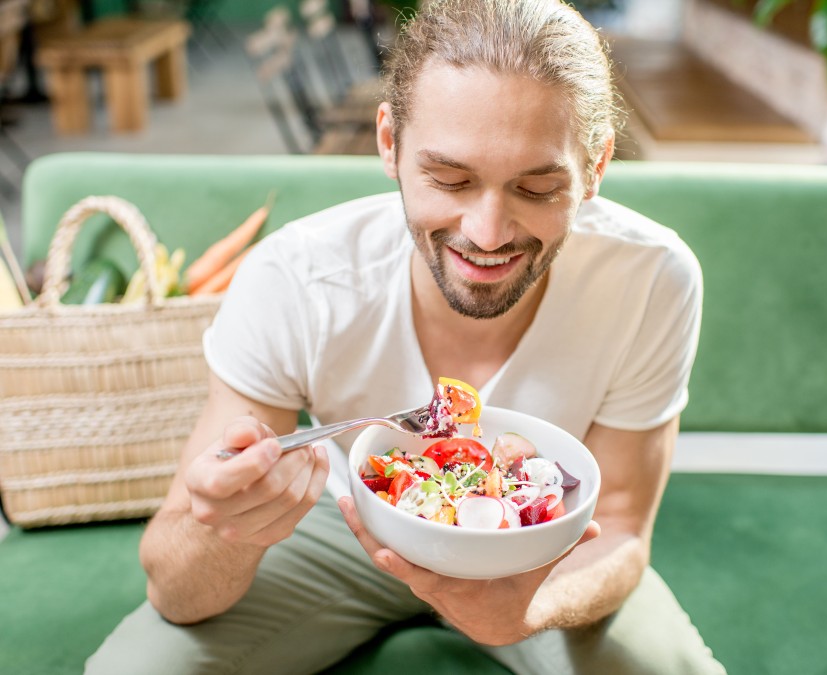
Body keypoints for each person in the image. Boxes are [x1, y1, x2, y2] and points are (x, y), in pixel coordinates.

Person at [87, 1, 725, 673]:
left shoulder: (653, 278)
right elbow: (174, 588)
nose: (486, 232)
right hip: (346, 519)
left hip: (542, 545)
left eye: (537, 187)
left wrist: (529, 608)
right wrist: (226, 527)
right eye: (449, 179)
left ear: (596, 165)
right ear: (389, 143)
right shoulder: (296, 280)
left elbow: (620, 526)